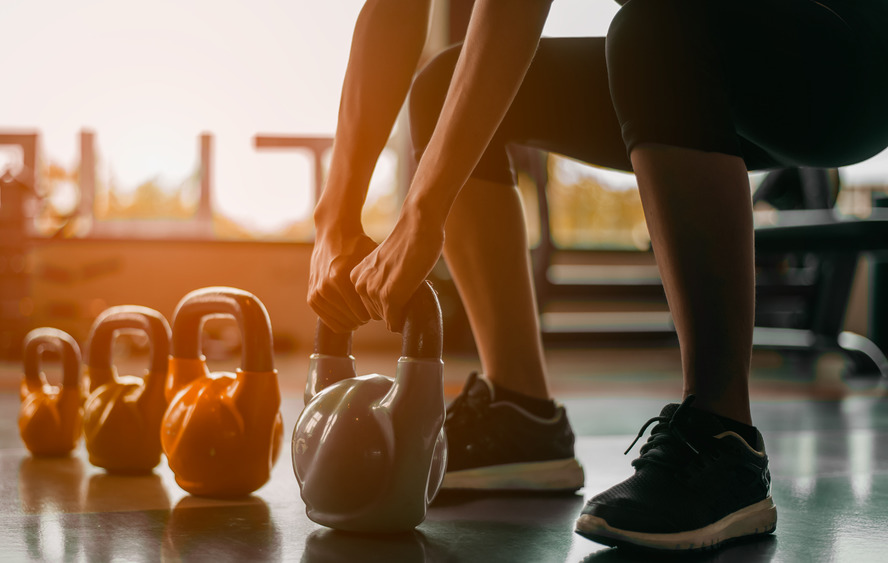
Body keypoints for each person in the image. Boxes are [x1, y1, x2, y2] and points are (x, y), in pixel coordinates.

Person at [307, 0, 888, 552]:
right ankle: (521, 416)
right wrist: (334, 221)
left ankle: (723, 439)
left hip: (848, 53)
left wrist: (422, 214)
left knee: (654, 26)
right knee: (444, 85)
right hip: (690, 52)